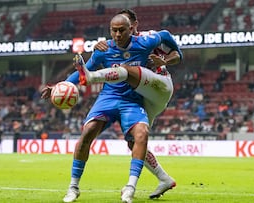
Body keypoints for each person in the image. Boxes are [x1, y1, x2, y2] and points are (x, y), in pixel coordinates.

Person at [41, 14, 174, 203]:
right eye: (114, 30)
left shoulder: (144, 43)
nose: (118, 34)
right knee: (88, 132)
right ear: (110, 30)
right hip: (109, 97)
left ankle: (130, 187)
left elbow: (166, 36)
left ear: (131, 28)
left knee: (141, 135)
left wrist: (169, 57)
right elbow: (83, 72)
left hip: (133, 100)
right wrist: (58, 86)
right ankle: (73, 187)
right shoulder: (103, 49)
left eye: (122, 30)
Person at [84, 8, 182, 198]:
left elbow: (178, 55)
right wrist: (98, 47)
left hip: (160, 85)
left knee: (126, 70)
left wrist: (163, 60)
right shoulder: (118, 44)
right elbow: (107, 53)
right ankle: (164, 179)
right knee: (135, 141)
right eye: (116, 29)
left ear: (134, 25)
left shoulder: (148, 38)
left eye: (126, 26)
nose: (120, 33)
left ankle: (91, 78)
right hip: (145, 95)